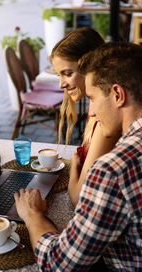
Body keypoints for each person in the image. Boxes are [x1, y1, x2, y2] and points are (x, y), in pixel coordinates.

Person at [14, 42, 142, 272]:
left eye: (93, 98)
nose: (91, 110)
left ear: (117, 94)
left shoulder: (113, 169)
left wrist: (32, 216)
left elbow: (58, 267)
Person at [51, 27, 120, 207]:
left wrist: (74, 165)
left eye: (67, 73)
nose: (61, 84)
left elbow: (79, 198)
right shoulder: (95, 103)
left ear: (90, 67)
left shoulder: (104, 116)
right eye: (59, 75)